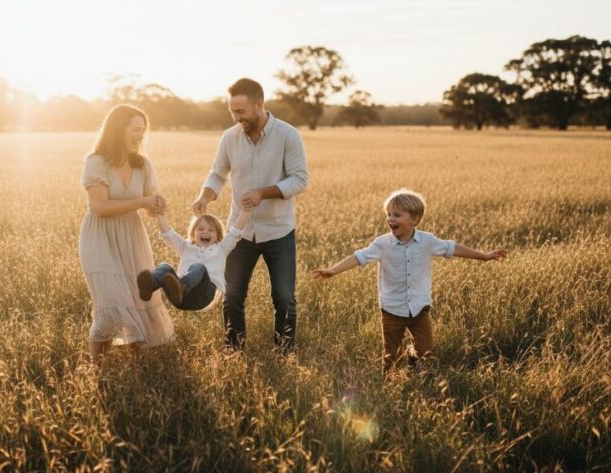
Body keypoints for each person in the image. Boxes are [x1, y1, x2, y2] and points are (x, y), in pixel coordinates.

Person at [313, 188, 507, 373]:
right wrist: (333, 270)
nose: (390, 219)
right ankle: (387, 384)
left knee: (427, 352)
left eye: (396, 215)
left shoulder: (427, 241)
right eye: (388, 214)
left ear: (414, 219)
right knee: (391, 356)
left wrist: (485, 256)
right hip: (391, 310)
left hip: (419, 309)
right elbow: (358, 257)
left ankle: (412, 354)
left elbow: (454, 248)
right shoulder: (382, 244)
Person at [191, 78, 308, 352]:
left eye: (241, 111)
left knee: (283, 297)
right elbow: (217, 174)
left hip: (278, 231)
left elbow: (300, 180)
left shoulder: (287, 135)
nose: (236, 117)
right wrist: (204, 196)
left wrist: (262, 193)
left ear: (259, 105)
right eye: (232, 111)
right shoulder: (229, 137)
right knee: (231, 296)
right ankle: (234, 350)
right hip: (239, 233)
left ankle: (284, 352)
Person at [78, 104, 174, 364]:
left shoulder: (144, 165)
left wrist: (155, 206)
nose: (140, 136)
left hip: (132, 238)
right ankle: (96, 370)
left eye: (143, 131)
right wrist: (142, 202)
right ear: (118, 129)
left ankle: (138, 369)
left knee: (137, 299)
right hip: (100, 239)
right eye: (135, 129)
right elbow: (100, 207)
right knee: (110, 301)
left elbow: (150, 205)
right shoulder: (95, 162)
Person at [137, 209, 249, 311]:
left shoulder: (222, 247)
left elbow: (235, 232)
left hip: (204, 295)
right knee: (164, 267)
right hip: (179, 299)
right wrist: (160, 215)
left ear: (218, 236)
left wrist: (245, 210)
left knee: (199, 267)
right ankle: (150, 285)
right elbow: (168, 235)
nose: (205, 232)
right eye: (201, 229)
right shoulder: (186, 246)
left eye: (211, 230)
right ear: (193, 233)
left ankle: (183, 286)